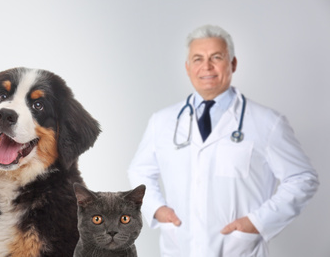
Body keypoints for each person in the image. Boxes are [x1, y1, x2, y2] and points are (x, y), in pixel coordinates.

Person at [127, 25, 319, 257]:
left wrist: (257, 222)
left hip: (238, 249)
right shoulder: (163, 121)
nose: (206, 66)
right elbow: (139, 171)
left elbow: (302, 178)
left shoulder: (267, 122)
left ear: (233, 63)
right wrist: (157, 209)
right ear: (187, 68)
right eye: (197, 59)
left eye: (216, 57)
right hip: (179, 246)